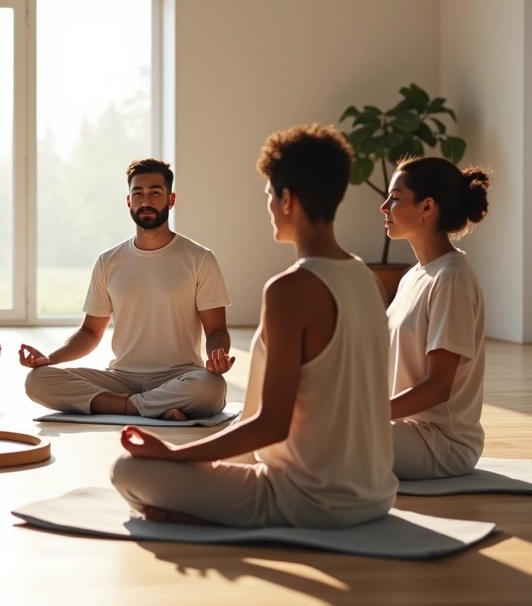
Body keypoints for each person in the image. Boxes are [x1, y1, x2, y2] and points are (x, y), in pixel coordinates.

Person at [110, 124, 397, 528]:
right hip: (376, 494)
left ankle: (198, 506)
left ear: (286, 199)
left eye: (267, 195)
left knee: (128, 470)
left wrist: (175, 457)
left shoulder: (290, 289)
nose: (267, 206)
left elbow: (270, 424)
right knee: (197, 464)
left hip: (308, 501)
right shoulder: (367, 278)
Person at [20, 158, 232, 420]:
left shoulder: (199, 258)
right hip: (121, 378)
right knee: (37, 380)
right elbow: (89, 332)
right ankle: (148, 406)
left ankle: (123, 406)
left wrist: (216, 357)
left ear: (171, 199)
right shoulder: (109, 261)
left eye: (155, 192)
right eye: (138, 193)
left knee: (211, 388)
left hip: (180, 376)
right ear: (128, 201)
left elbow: (216, 330)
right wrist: (49, 359)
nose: (146, 201)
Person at [381, 156, 490, 479]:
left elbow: (437, 388)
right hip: (404, 429)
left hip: (442, 443)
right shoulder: (415, 276)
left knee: (318, 437)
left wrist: (365, 414)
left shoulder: (451, 279)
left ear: (427, 207)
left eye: (396, 198)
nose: (384, 206)